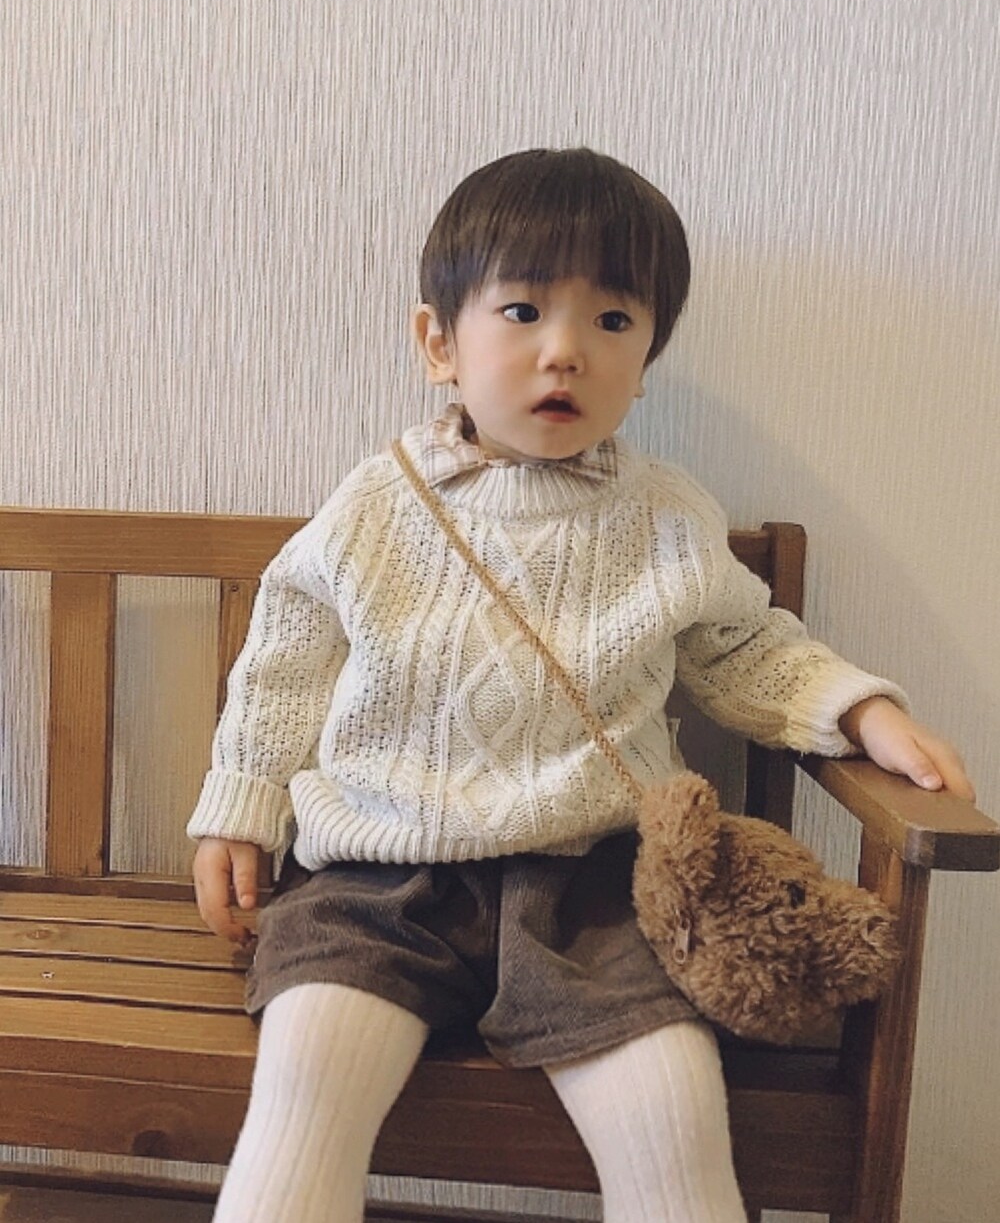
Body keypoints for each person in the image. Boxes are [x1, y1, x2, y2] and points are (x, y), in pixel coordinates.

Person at [189, 147, 974, 1223]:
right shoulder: (374, 507)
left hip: (598, 891)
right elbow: (285, 658)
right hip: (375, 880)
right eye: (521, 311)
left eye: (612, 320)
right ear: (439, 343)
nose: (565, 350)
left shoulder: (665, 516)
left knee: (675, 1124)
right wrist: (241, 808)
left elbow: (745, 646)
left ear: (645, 361)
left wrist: (860, 710)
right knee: (301, 1100)